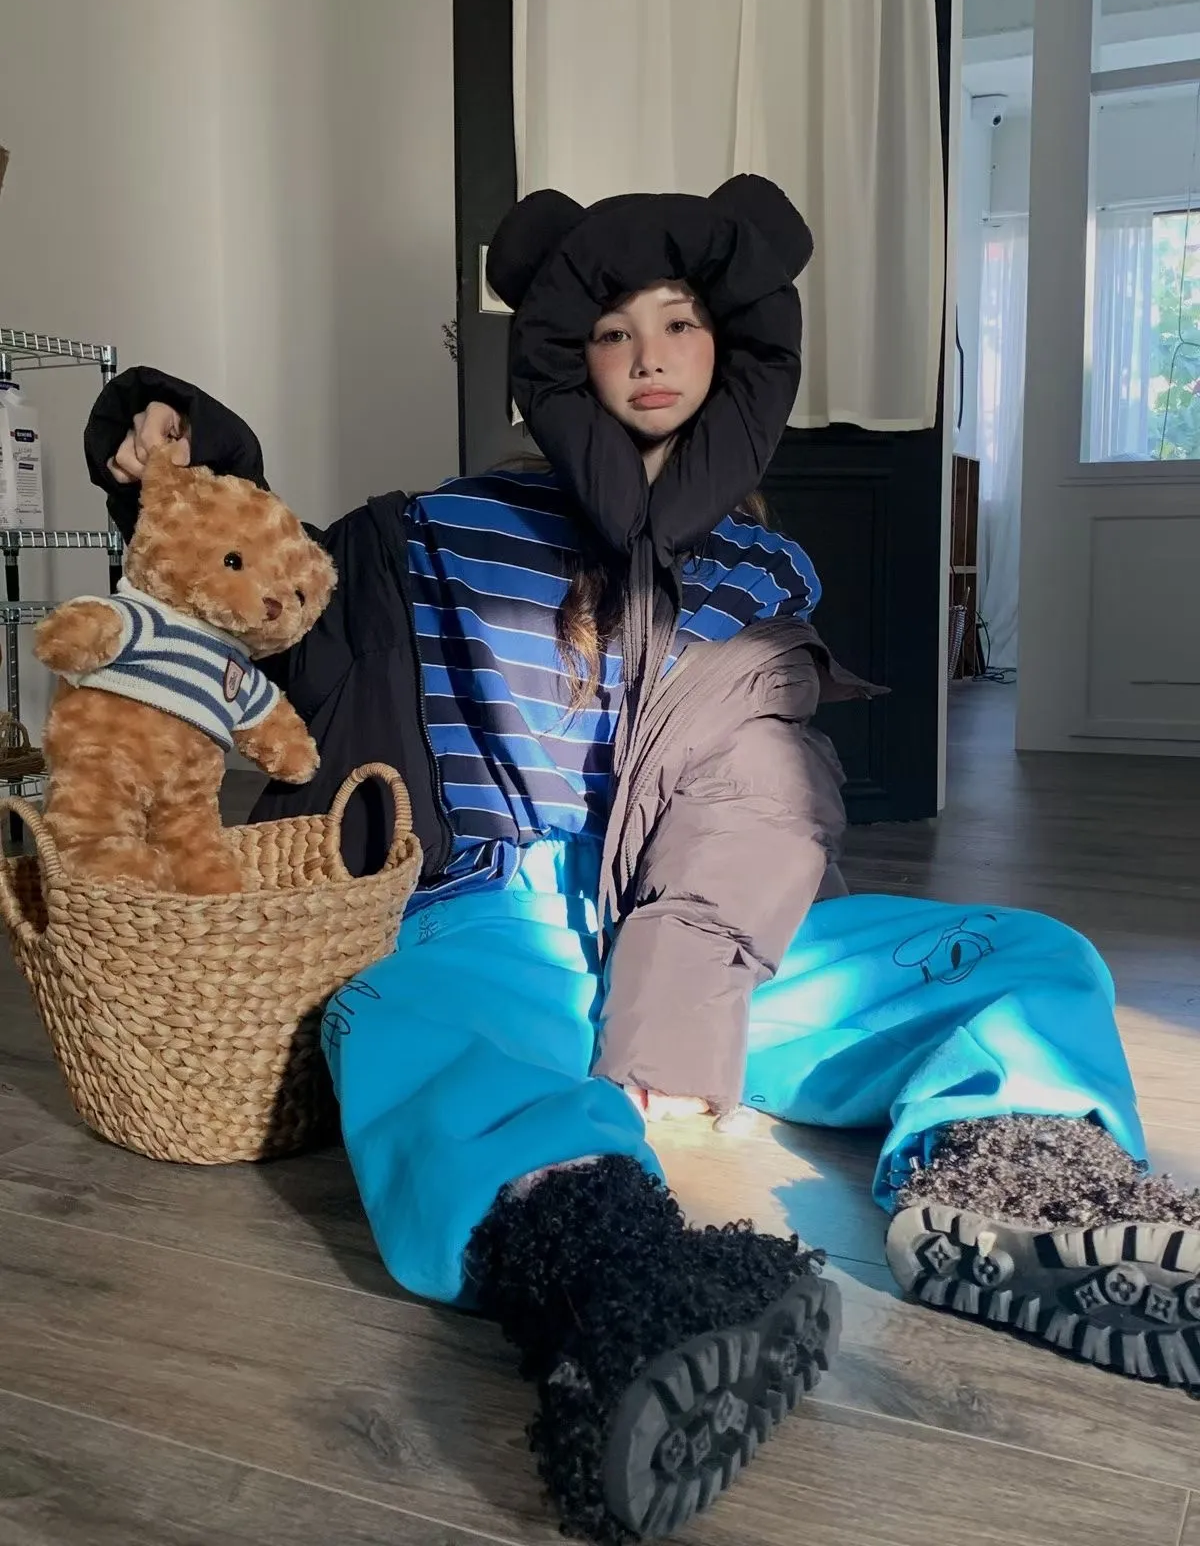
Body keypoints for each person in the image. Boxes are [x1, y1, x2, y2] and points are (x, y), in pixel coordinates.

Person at [86, 176, 1200, 1544]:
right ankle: (620, 1283)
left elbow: (755, 802)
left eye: (680, 324)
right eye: (614, 331)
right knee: (393, 1019)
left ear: (734, 350)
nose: (651, 355)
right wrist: (185, 457)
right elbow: (276, 599)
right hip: (493, 915)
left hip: (694, 930)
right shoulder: (437, 536)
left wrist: (670, 1022)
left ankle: (1020, 1196)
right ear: (566, 358)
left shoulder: (762, 576)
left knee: (1027, 960)